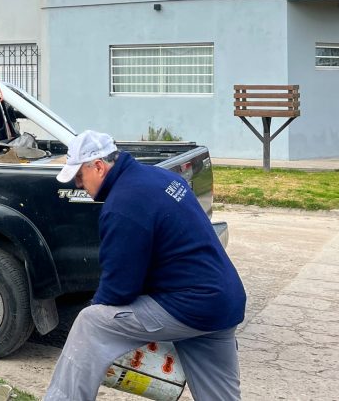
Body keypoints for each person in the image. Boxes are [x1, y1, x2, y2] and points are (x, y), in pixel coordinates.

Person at [43, 130, 246, 401]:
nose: (79, 185)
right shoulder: (162, 177)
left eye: (79, 176)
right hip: (225, 300)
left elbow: (119, 289)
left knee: (91, 323)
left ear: (99, 166)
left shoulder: (123, 204)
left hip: (190, 303)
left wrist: (100, 307)